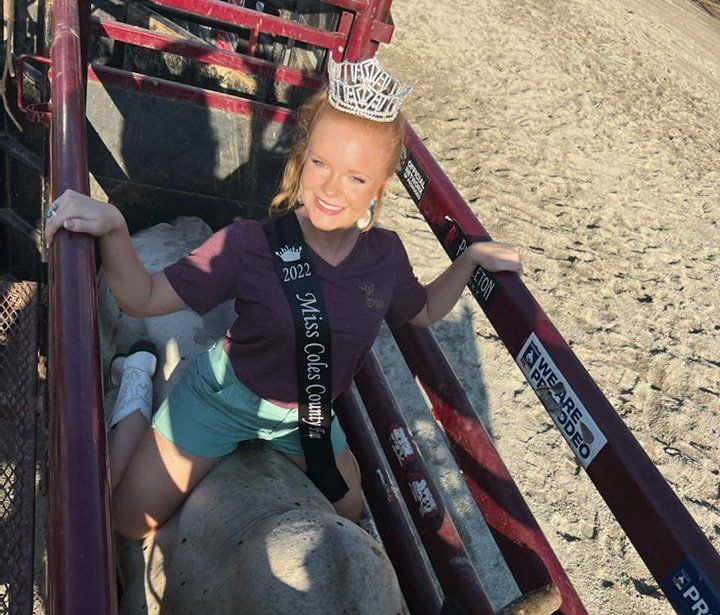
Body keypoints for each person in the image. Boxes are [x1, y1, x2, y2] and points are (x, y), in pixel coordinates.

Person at [45, 55, 522, 537]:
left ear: (379, 186)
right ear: (302, 158)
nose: (332, 188)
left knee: (349, 512)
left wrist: (467, 260)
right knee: (128, 521)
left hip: (306, 419)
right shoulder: (248, 244)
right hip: (224, 399)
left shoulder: (386, 257)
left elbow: (421, 311)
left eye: (356, 177)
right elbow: (143, 298)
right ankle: (136, 393)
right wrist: (114, 227)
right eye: (320, 163)